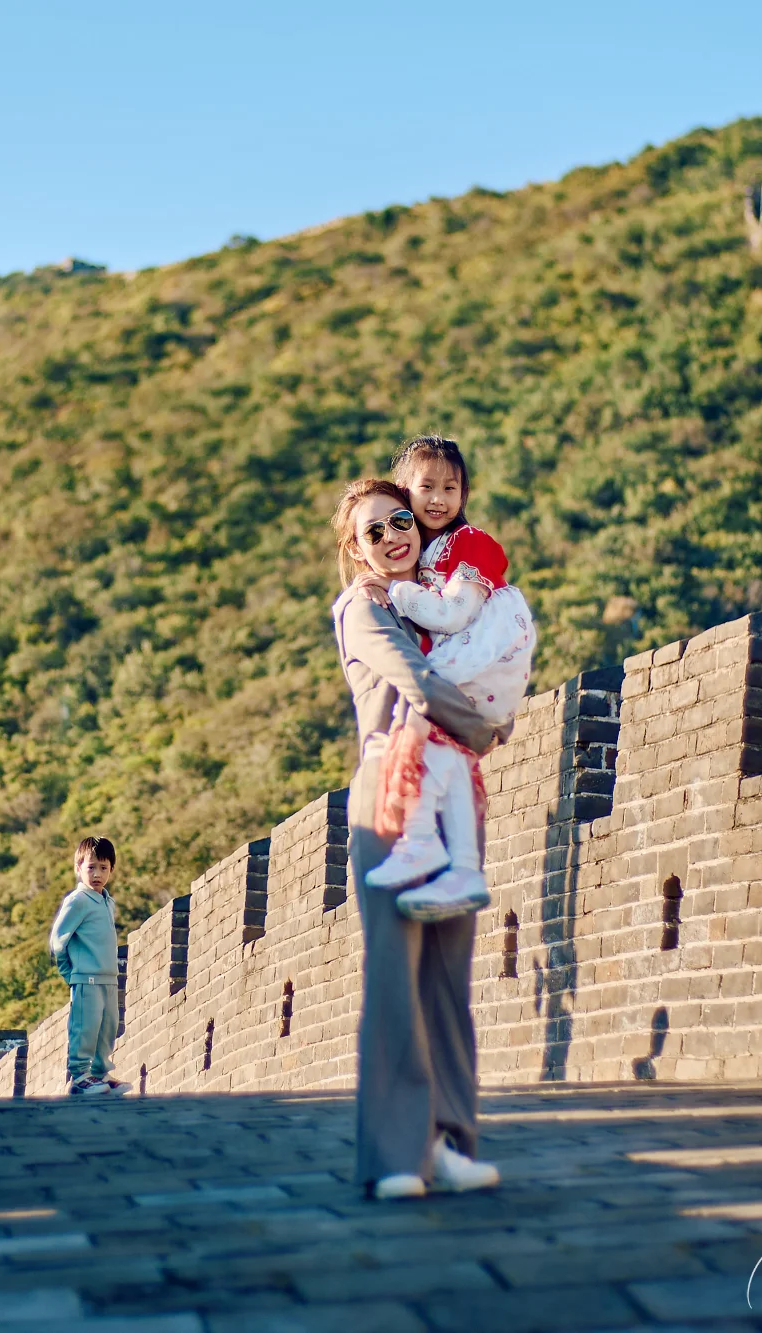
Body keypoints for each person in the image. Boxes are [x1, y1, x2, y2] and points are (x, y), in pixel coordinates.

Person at [331, 476, 509, 1200]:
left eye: (399, 520)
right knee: (396, 980)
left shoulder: (436, 608)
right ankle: (394, 1155)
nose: (392, 536)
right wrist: (488, 725)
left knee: (447, 977)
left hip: (451, 790)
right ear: (355, 549)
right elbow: (420, 681)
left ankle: (450, 1140)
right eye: (373, 531)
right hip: (392, 795)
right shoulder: (360, 610)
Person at [365, 437, 535, 920]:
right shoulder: (421, 553)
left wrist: (397, 591)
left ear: (464, 495)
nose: (438, 499)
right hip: (475, 658)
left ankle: (423, 844)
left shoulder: (470, 543)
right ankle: (458, 868)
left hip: (489, 650)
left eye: (451, 488)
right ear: (405, 490)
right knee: (443, 753)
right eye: (427, 487)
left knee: (418, 717)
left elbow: (456, 614)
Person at [49, 836, 129, 1097]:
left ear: (111, 870)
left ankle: (100, 1073)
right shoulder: (78, 900)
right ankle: (80, 1076)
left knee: (107, 1027)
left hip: (108, 977)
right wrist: (70, 974)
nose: (97, 874)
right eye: (91, 867)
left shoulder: (107, 901)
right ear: (78, 868)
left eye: (103, 868)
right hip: (86, 979)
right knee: (86, 1027)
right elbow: (58, 941)